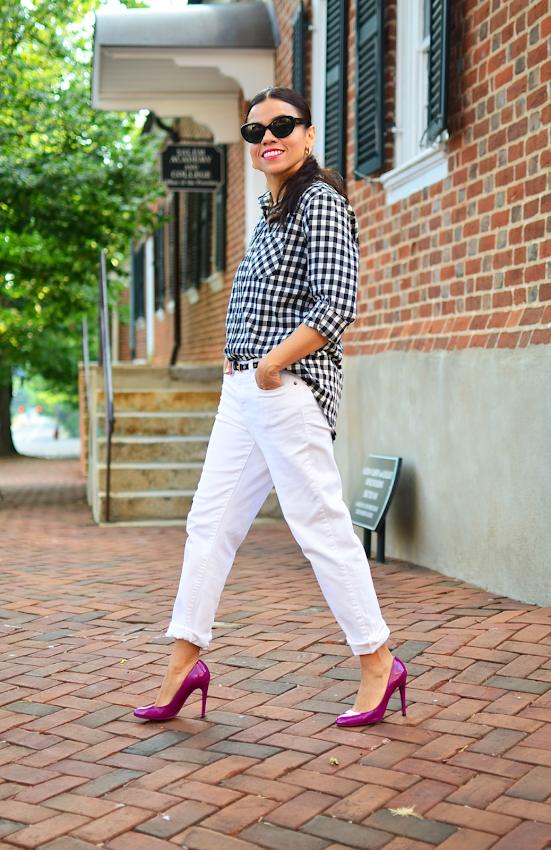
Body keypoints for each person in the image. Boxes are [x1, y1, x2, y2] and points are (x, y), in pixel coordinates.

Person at [134, 87, 406, 727]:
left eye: (282, 125)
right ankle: (183, 665)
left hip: (287, 392)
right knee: (209, 525)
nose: (268, 137)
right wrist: (243, 362)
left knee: (321, 529)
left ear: (309, 134)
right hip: (244, 396)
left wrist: (272, 363)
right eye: (255, 131)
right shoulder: (271, 210)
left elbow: (336, 306)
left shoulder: (321, 203)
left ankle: (378, 661)